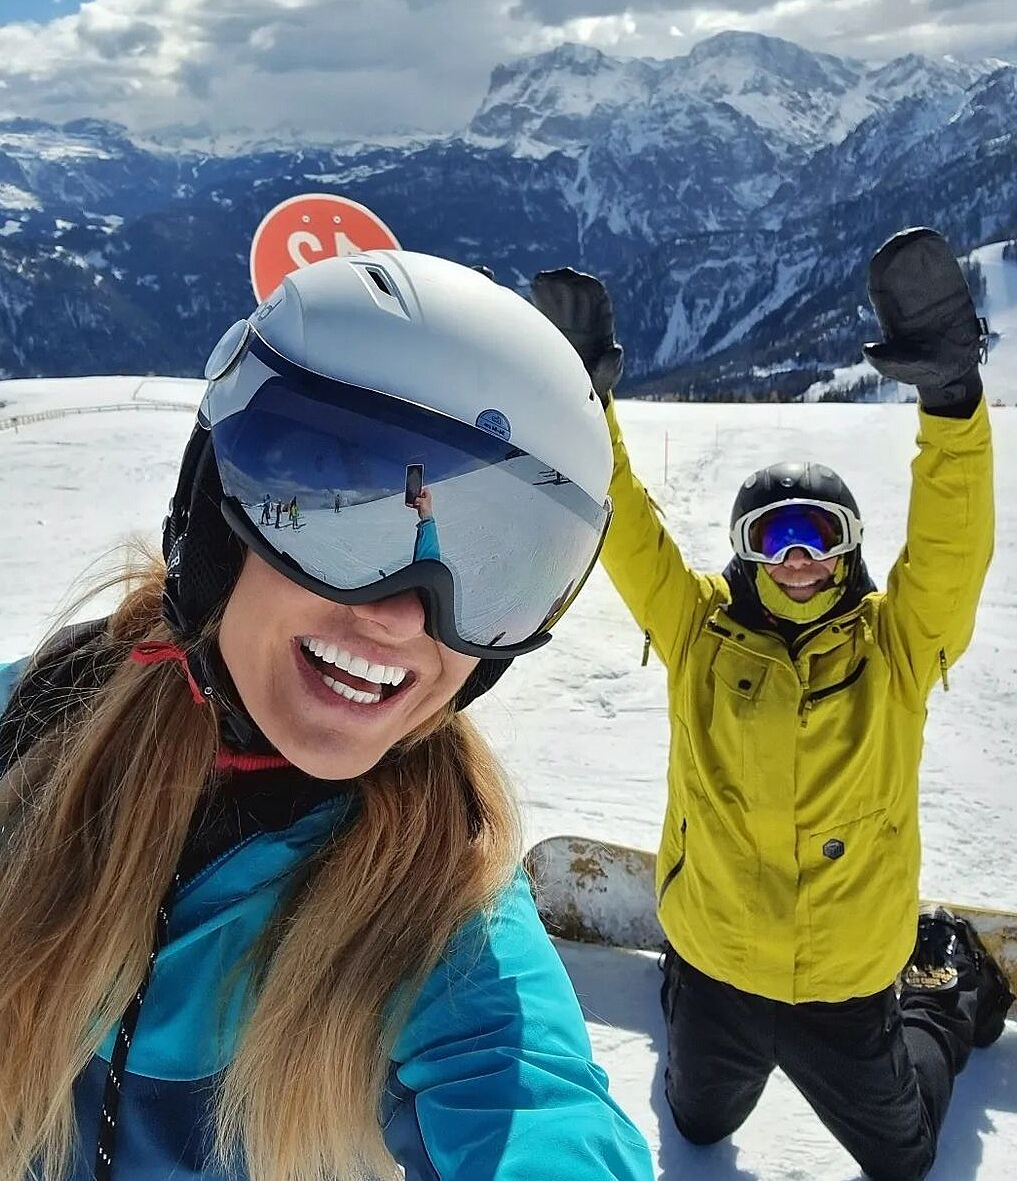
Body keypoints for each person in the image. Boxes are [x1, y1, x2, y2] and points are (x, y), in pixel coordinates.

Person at [0, 252, 654, 1181]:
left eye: (499, 576)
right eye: (337, 523)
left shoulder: (441, 898)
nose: (405, 618)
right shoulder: (42, 716)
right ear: (213, 519)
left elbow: (534, 1106)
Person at [529, 227, 1014, 1181]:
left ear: (848, 549)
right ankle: (685, 986)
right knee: (694, 1123)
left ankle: (938, 985)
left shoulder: (894, 646)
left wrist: (952, 401)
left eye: (818, 535)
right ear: (744, 548)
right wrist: (589, 406)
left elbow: (950, 554)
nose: (797, 558)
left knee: (905, 1158)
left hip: (847, 976)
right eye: (774, 534)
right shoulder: (696, 631)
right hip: (716, 963)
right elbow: (625, 526)